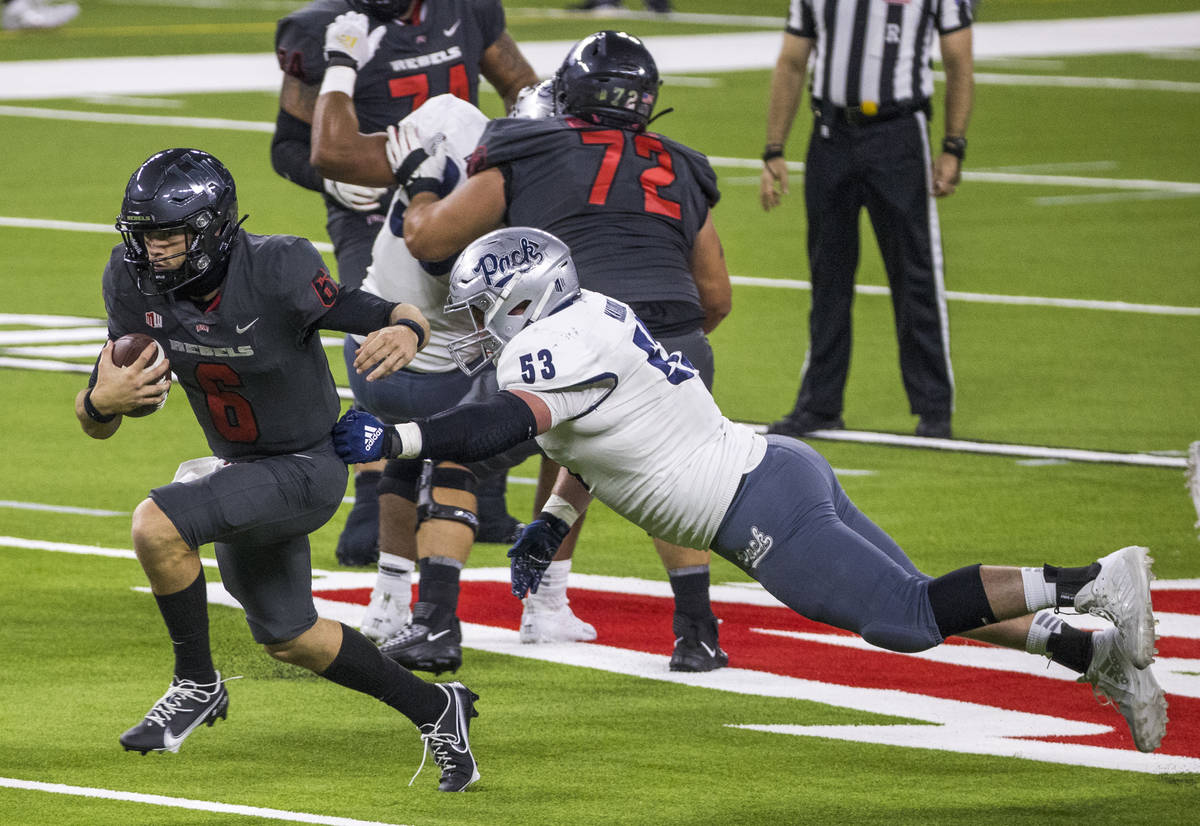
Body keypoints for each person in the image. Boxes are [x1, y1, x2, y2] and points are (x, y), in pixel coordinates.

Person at [334, 226, 1169, 754]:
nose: (480, 326)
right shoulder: (591, 314)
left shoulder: (547, 350)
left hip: (755, 506)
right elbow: (596, 439)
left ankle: (1097, 580)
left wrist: (401, 436)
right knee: (928, 597)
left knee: (908, 618)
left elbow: (501, 427)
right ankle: (1090, 652)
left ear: (523, 298)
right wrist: (553, 519)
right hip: (773, 468)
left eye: (486, 309)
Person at [77, 147, 479, 792]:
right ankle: (438, 710)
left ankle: (195, 683)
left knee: (157, 525)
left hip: (307, 466)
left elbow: (377, 311)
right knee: (291, 635)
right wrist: (99, 402)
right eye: (144, 234)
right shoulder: (130, 282)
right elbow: (100, 415)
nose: (153, 250)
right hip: (244, 470)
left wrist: (410, 332)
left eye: (169, 234)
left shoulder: (277, 265)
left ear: (211, 230)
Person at [397, 30, 735, 672]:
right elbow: (715, 296)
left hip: (574, 333)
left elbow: (433, 241)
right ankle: (697, 634)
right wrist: (649, 365)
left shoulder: (529, 142)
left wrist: (419, 192)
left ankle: (437, 624)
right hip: (674, 337)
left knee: (458, 454)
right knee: (667, 475)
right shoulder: (681, 163)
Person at [310, 27, 593, 657]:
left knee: (405, 454)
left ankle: (387, 603)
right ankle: (499, 606)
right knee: (554, 428)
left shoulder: (451, 117)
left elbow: (357, 170)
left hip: (375, 345)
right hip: (443, 363)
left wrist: (409, 181)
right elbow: (447, 260)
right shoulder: (532, 190)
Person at [273, 0, 539, 566]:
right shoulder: (321, 26)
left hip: (463, 200)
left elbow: (524, 90)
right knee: (384, 341)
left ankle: (477, 483)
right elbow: (289, 147)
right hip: (372, 210)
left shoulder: (467, 9)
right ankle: (373, 493)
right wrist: (328, 182)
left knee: (494, 337)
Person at [760, 0, 974, 440]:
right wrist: (774, 148)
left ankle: (933, 409)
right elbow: (792, 61)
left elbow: (959, 60)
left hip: (897, 132)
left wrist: (953, 144)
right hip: (829, 133)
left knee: (914, 274)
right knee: (828, 275)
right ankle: (820, 403)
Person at [1, 0, 78, 29]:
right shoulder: (17, 7)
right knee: (71, 9)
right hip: (17, 18)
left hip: (14, 14)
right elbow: (37, 22)